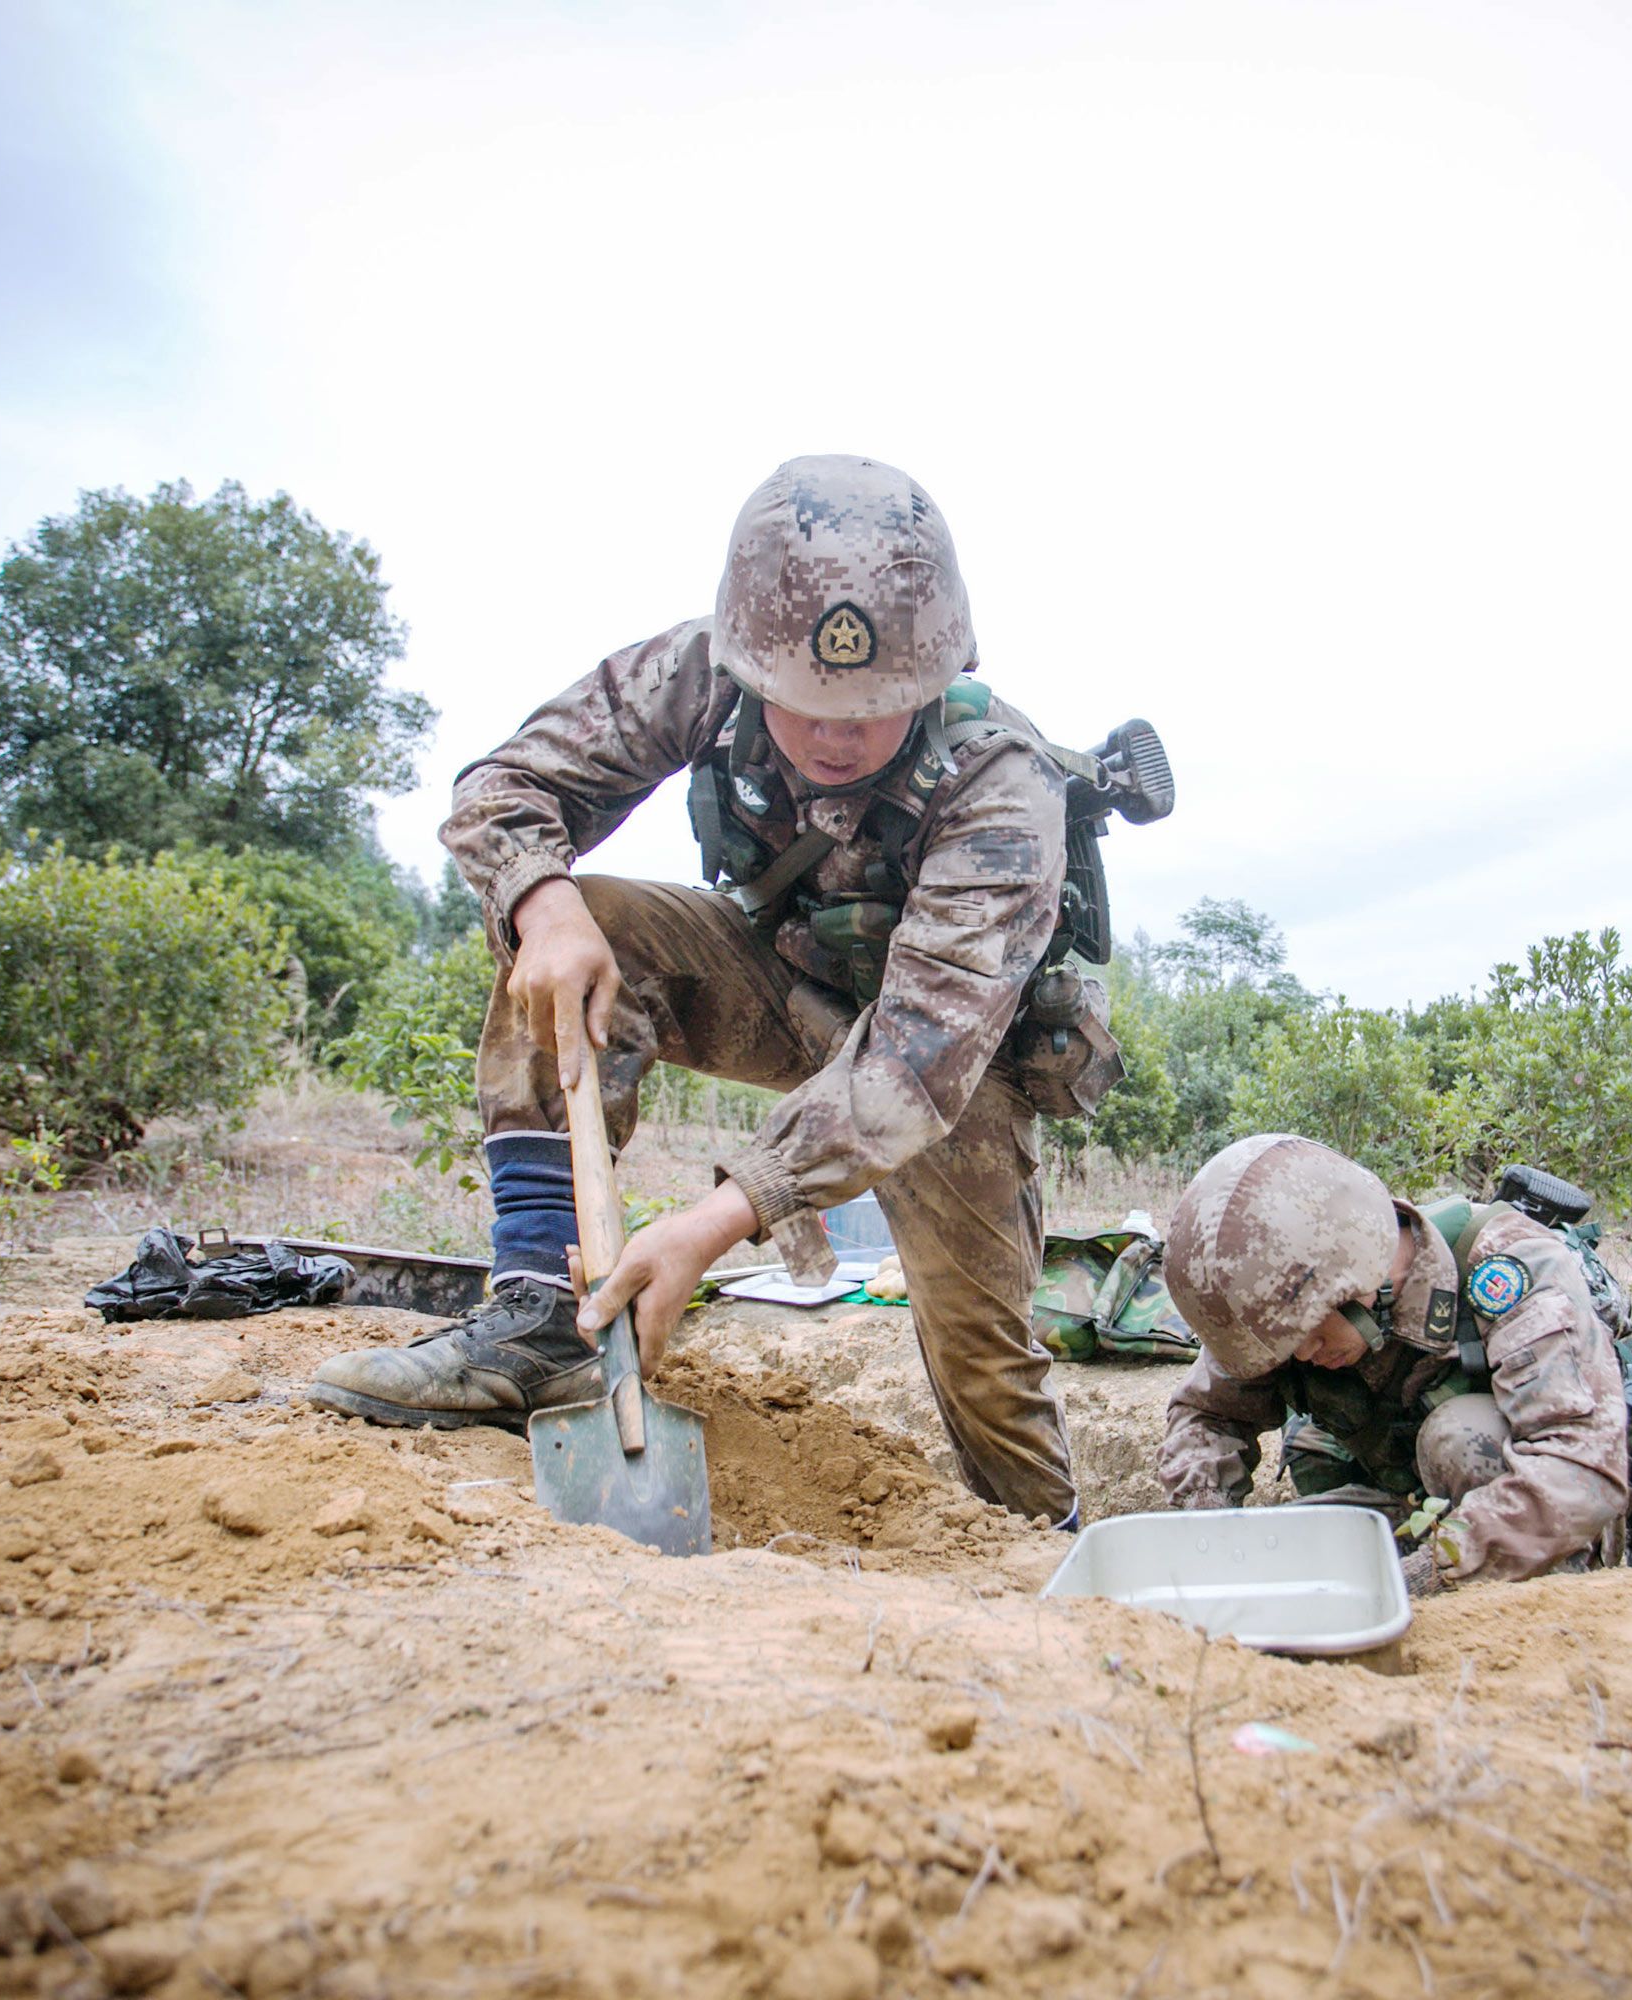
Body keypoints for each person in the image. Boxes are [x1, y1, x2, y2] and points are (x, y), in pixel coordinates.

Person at [307, 455, 1115, 1526]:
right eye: (802, 705)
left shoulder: (1003, 786)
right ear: (752, 664)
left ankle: (1042, 1548)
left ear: (937, 673)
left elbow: (914, 1062)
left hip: (940, 1073)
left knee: (985, 1363)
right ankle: (542, 1319)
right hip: (780, 983)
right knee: (590, 917)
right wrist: (543, 902)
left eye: (871, 709)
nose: (834, 737)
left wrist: (715, 1222)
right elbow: (503, 787)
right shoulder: (709, 668)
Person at [1154, 1133, 1629, 1594]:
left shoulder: (1507, 1265)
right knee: (1293, 1510)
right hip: (1411, 1502)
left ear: (1355, 1272)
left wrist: (1432, 1570)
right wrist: (1208, 1521)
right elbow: (1205, 1414)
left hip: (1540, 1526)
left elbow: (1581, 1470)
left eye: (1307, 1334)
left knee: (1461, 1437)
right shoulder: (1282, 1301)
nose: (1300, 1355)